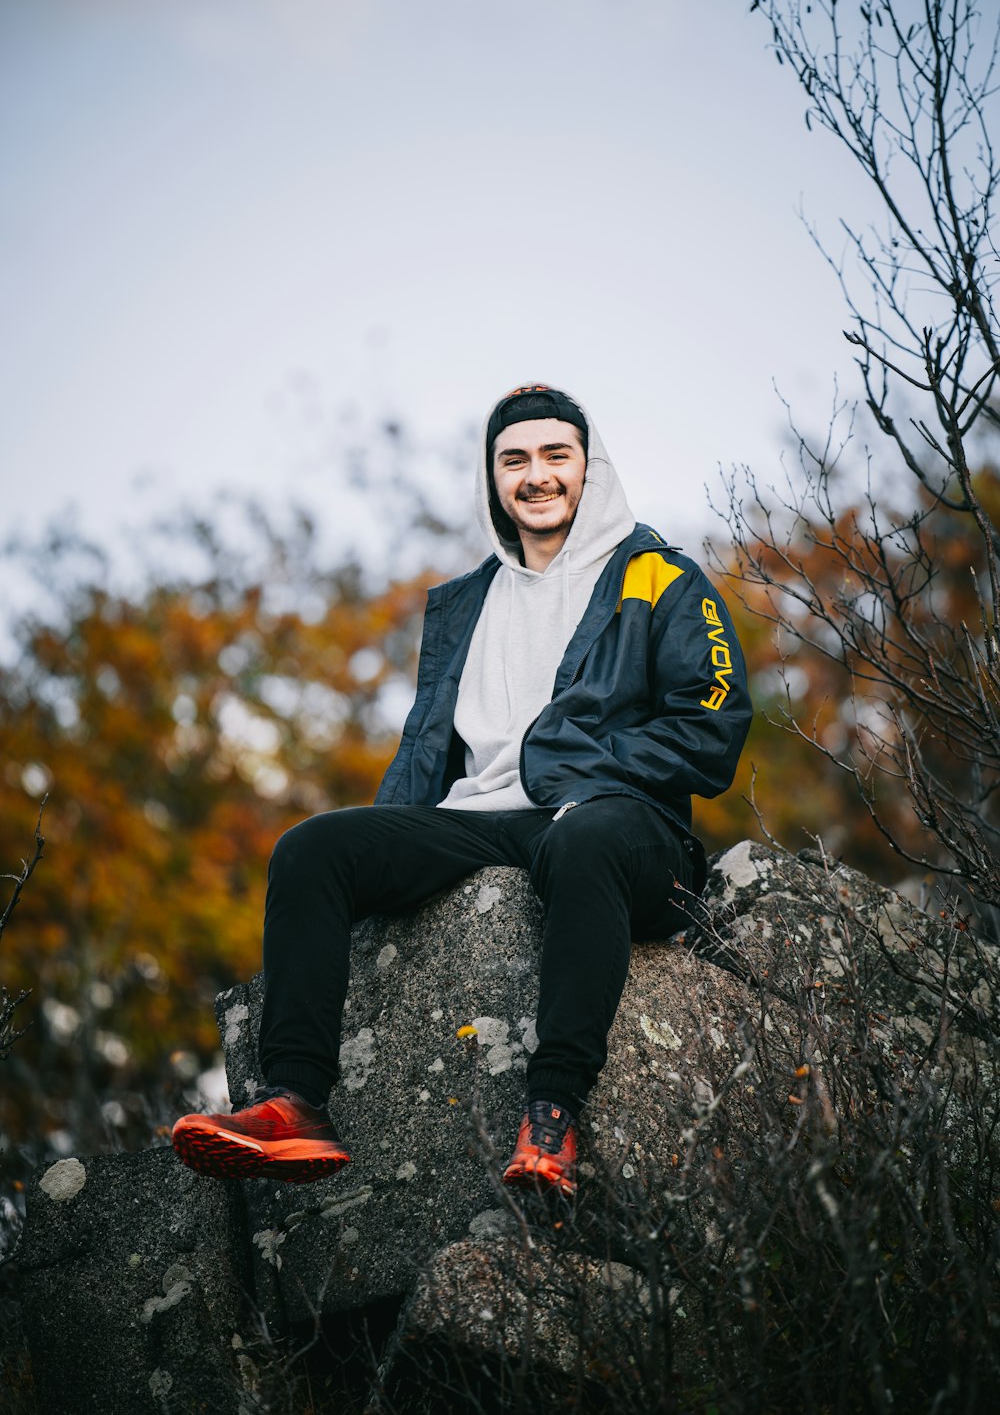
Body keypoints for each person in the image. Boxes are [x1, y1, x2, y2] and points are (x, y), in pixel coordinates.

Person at [172, 384, 752, 1196]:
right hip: (481, 820)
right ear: (492, 480)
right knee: (313, 850)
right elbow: (429, 749)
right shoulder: (466, 601)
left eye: (558, 455)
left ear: (592, 467)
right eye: (514, 459)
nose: (537, 475)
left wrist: (591, 771)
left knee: (581, 839)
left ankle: (552, 1114)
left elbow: (712, 728)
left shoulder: (661, 577)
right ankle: (294, 1104)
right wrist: (389, 836)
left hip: (620, 825)